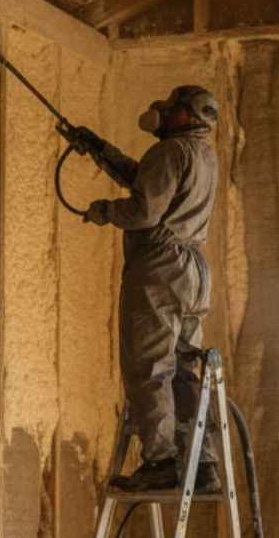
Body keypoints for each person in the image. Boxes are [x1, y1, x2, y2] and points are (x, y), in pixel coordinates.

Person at [63, 85, 222, 493]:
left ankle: (162, 459)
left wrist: (104, 211)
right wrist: (102, 151)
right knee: (184, 368)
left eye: (171, 109)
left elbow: (143, 209)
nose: (162, 113)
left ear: (185, 115)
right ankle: (201, 463)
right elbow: (150, 185)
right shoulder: (203, 155)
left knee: (149, 365)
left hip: (160, 266)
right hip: (192, 270)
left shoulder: (169, 152)